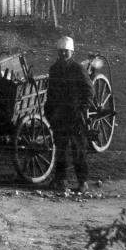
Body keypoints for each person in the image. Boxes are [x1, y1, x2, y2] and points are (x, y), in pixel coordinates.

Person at [45, 36, 94, 193]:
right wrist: (49, 110)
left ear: (71, 52)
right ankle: (60, 180)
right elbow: (51, 92)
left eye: (66, 52)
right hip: (59, 115)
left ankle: (82, 182)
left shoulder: (78, 69)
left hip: (75, 115)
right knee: (60, 148)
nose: (63, 54)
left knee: (78, 149)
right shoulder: (54, 69)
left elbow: (89, 90)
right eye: (61, 52)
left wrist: (82, 109)